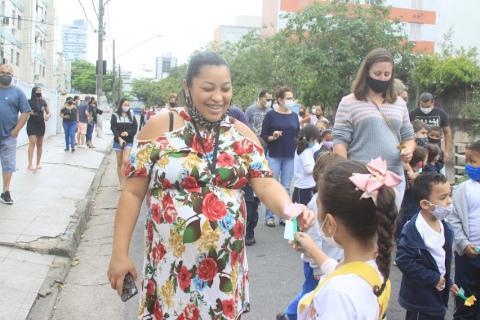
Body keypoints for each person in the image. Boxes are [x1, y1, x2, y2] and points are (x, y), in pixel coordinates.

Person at [107, 51, 314, 320]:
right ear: (187, 87)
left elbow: (265, 183)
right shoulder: (160, 126)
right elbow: (133, 193)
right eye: (208, 88)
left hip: (224, 276)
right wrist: (119, 254)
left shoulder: (241, 132)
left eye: (225, 89)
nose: (218, 97)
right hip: (170, 273)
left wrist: (290, 209)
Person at [294, 159, 399, 319]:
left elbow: (341, 281)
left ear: (330, 223)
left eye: (318, 205)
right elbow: (340, 270)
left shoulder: (337, 294)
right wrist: (312, 249)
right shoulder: (376, 265)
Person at [333, 48, 415, 208]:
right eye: (377, 74)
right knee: (364, 230)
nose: (382, 78)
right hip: (362, 179)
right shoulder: (349, 102)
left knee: (388, 229)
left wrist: (408, 150)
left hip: (394, 178)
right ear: (366, 73)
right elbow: (340, 142)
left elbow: (407, 136)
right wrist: (346, 174)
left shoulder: (399, 103)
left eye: (387, 74)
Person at [277, 152, 344, 320]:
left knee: (314, 293)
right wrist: (317, 266)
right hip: (317, 263)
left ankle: (292, 314)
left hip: (330, 260)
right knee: (310, 294)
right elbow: (313, 237)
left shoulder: (331, 201)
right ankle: (290, 315)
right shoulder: (317, 203)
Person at [396, 172, 458, 319]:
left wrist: (448, 282)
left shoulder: (444, 226)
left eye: (450, 195)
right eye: (443, 198)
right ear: (425, 204)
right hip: (420, 299)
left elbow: (439, 260)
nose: (449, 201)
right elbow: (404, 260)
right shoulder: (414, 229)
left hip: (438, 294)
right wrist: (433, 278)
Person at [449, 140, 480, 319]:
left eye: (473, 161)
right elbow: (454, 220)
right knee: (467, 299)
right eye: (466, 160)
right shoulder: (463, 189)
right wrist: (462, 243)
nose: (468, 165)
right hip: (468, 257)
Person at [261, 86, 300, 227]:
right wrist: (273, 137)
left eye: (292, 98)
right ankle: (269, 216)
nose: (291, 100)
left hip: (290, 155)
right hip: (274, 155)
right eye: (288, 98)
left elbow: (297, 135)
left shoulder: (294, 116)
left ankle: (285, 216)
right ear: (280, 100)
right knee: (272, 185)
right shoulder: (271, 115)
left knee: (286, 187)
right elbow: (263, 136)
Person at [0, 64, 31, 205]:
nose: (5, 75)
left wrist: (16, 130)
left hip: (8, 137)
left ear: (12, 75)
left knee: (8, 165)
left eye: (8, 73)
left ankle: (5, 191)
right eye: (2, 72)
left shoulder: (18, 92)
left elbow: (26, 112)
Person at [396, 146, 428, 241]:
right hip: (410, 213)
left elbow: (399, 146)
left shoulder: (409, 173)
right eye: (426, 160)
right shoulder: (414, 177)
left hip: (403, 211)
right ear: (420, 163)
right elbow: (399, 145)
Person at [409, 92, 452, 163]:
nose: (425, 109)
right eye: (422, 106)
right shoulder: (412, 114)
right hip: (418, 153)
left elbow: (447, 132)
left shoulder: (441, 113)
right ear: (419, 102)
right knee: (421, 170)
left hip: (435, 152)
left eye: (427, 107)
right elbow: (403, 135)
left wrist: (447, 151)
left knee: (438, 171)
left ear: (433, 103)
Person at [110, 98, 138, 191]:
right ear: (121, 105)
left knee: (125, 161)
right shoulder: (115, 115)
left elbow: (135, 128)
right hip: (118, 141)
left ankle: (125, 182)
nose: (127, 106)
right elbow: (113, 128)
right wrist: (119, 138)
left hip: (129, 141)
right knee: (119, 163)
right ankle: (121, 183)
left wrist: (128, 133)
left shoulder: (132, 114)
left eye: (128, 105)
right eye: (125, 105)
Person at [292, 125, 320, 206]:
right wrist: (319, 167)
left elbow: (317, 147)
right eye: (315, 140)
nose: (315, 142)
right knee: (301, 212)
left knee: (296, 212)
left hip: (302, 186)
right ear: (311, 139)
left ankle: (290, 218)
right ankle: (289, 218)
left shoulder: (300, 147)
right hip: (304, 187)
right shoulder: (305, 151)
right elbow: (308, 170)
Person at [26, 86, 51, 171]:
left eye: (40, 90)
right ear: (34, 92)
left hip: (41, 124)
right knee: (32, 142)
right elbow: (24, 111)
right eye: (37, 90)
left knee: (40, 144)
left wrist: (47, 116)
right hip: (32, 124)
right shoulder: (29, 101)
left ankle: (38, 163)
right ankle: (30, 164)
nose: (39, 92)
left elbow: (49, 112)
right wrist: (30, 112)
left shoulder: (43, 102)